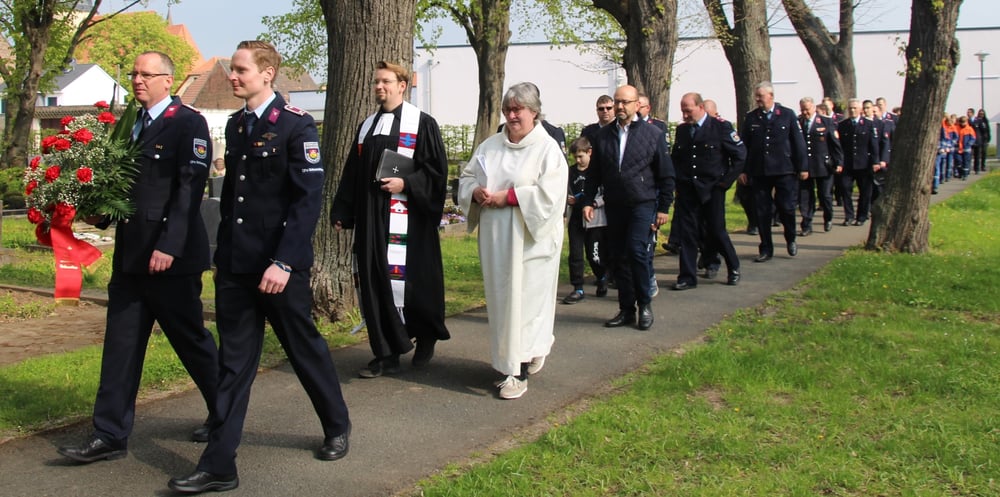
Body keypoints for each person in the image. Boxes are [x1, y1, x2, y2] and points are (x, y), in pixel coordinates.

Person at [168, 40, 351, 494]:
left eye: (241, 69)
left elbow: (308, 200)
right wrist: (222, 256)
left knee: (303, 350)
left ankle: (336, 424)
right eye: (233, 68)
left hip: (280, 269)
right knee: (233, 365)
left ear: (267, 74)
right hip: (237, 267)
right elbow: (234, 199)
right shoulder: (235, 125)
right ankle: (220, 465)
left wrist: (284, 262)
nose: (233, 75)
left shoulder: (295, 126)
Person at [57, 51, 219, 465]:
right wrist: (100, 212)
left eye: (147, 74)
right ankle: (109, 434)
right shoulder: (129, 126)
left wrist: (169, 244)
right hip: (131, 256)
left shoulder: (188, 123)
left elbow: (188, 190)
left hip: (172, 259)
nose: (138, 80)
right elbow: (125, 191)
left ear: (168, 80)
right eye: (134, 73)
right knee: (121, 346)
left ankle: (225, 414)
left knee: (192, 342)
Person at [330, 61, 450, 378]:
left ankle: (424, 338)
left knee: (415, 285)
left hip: (409, 220)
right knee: (375, 281)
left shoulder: (422, 124)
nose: (379, 87)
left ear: (402, 85)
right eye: (376, 82)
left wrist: (406, 184)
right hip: (372, 219)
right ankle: (386, 352)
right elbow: (352, 172)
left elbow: (436, 173)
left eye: (385, 81)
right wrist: (343, 210)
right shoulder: (367, 126)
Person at [458, 82, 568, 400]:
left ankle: (515, 372)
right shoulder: (490, 146)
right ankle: (529, 351)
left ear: (534, 112)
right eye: (508, 109)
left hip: (532, 240)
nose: (512, 114)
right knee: (505, 302)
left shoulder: (547, 150)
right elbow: (467, 177)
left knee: (527, 303)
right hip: (497, 241)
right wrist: (475, 193)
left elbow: (551, 196)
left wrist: (509, 196)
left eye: (518, 109)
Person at [583, 84, 675, 331]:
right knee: (618, 256)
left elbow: (666, 174)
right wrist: (588, 201)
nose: (620, 107)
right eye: (617, 102)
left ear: (637, 105)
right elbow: (594, 173)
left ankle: (644, 304)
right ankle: (626, 308)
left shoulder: (652, 134)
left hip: (642, 203)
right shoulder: (603, 137)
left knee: (637, 251)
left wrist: (663, 207)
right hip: (615, 204)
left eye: (625, 102)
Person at [670, 92, 744, 290]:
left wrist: (725, 182)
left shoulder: (721, 127)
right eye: (683, 111)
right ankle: (687, 276)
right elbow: (676, 158)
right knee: (688, 234)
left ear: (700, 107)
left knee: (716, 231)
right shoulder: (683, 131)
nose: (685, 115)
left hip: (712, 189)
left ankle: (733, 266)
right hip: (688, 189)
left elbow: (739, 156)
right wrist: (677, 180)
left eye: (688, 110)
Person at [738, 82, 808, 262]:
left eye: (760, 96)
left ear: (771, 96)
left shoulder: (787, 114)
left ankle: (790, 238)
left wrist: (803, 167)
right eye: (757, 96)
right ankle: (766, 247)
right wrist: (743, 170)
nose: (758, 100)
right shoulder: (752, 118)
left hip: (784, 169)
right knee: (762, 211)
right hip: (759, 171)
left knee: (787, 207)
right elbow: (744, 145)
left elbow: (798, 142)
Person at [562, 136, 608, 304]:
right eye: (575, 157)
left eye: (581, 156)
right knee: (575, 254)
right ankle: (578, 288)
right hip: (576, 219)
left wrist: (593, 203)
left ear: (589, 152)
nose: (578, 160)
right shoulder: (571, 172)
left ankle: (602, 276)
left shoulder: (598, 172)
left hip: (594, 220)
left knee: (594, 255)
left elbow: (606, 194)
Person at [798, 97, 842, 234]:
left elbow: (835, 145)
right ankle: (806, 224)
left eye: (808, 109)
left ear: (814, 108)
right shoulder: (798, 123)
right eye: (803, 109)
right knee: (805, 197)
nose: (805, 112)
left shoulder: (825, 121)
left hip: (823, 165)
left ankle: (828, 217)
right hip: (805, 167)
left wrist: (839, 162)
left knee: (825, 195)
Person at [835, 98, 880, 226]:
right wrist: (840, 162)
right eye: (850, 108)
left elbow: (874, 145)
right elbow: (840, 146)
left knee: (865, 191)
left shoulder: (868, 124)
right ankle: (849, 216)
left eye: (855, 108)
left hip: (864, 164)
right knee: (845, 189)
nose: (853, 110)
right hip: (848, 164)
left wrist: (875, 161)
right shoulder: (843, 125)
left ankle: (862, 216)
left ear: (860, 109)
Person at [956, 115, 977, 180]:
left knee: (966, 162)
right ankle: (960, 173)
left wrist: (968, 144)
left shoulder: (970, 129)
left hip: (966, 149)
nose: (962, 123)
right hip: (958, 148)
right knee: (958, 161)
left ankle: (965, 175)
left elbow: (973, 138)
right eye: (961, 122)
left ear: (966, 122)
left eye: (963, 122)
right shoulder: (957, 128)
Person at [972, 108, 991, 174]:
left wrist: (988, 138)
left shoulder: (985, 121)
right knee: (978, 153)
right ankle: (977, 167)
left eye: (982, 114)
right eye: (980, 113)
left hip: (984, 139)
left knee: (984, 152)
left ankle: (983, 166)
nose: (981, 115)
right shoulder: (976, 120)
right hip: (978, 138)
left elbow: (988, 130)